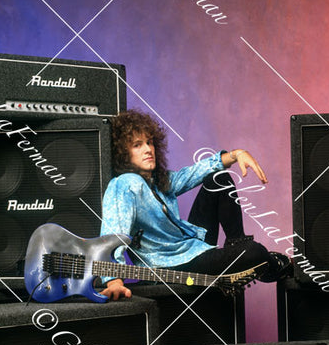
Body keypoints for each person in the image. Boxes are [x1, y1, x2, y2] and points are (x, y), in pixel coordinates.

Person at [99, 109, 289, 300]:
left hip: (192, 248)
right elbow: (112, 234)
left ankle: (236, 245)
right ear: (122, 154)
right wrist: (113, 279)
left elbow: (195, 172)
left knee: (218, 178)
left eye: (149, 142)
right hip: (169, 265)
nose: (148, 149)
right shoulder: (124, 184)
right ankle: (267, 264)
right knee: (255, 252)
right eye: (137, 145)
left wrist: (236, 154)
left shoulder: (159, 182)